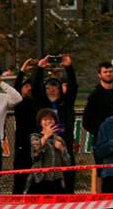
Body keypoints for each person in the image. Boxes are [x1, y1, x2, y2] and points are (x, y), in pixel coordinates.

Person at [33, 54, 79, 192]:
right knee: (46, 177)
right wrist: (40, 68)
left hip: (64, 142)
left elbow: (73, 87)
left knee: (68, 174)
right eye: (48, 88)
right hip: (46, 143)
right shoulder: (42, 104)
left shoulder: (65, 103)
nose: (52, 90)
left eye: (55, 88)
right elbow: (35, 88)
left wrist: (69, 67)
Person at [26, 109, 72, 209]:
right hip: (39, 182)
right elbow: (35, 155)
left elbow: (68, 162)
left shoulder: (59, 140)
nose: (48, 122)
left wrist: (62, 149)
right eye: (45, 119)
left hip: (56, 182)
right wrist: (45, 137)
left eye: (51, 119)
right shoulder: (35, 137)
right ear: (40, 122)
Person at [12, 59, 39, 194]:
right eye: (26, 86)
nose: (29, 89)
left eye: (30, 87)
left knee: (34, 173)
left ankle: (31, 203)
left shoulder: (35, 103)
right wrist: (23, 70)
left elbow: (38, 86)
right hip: (22, 141)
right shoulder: (19, 102)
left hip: (35, 140)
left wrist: (39, 69)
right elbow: (16, 87)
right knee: (20, 172)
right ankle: (16, 200)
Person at [82, 61, 113, 147]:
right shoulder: (94, 96)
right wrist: (100, 133)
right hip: (101, 141)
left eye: (110, 71)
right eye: (105, 72)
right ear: (99, 75)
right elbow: (86, 121)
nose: (108, 74)